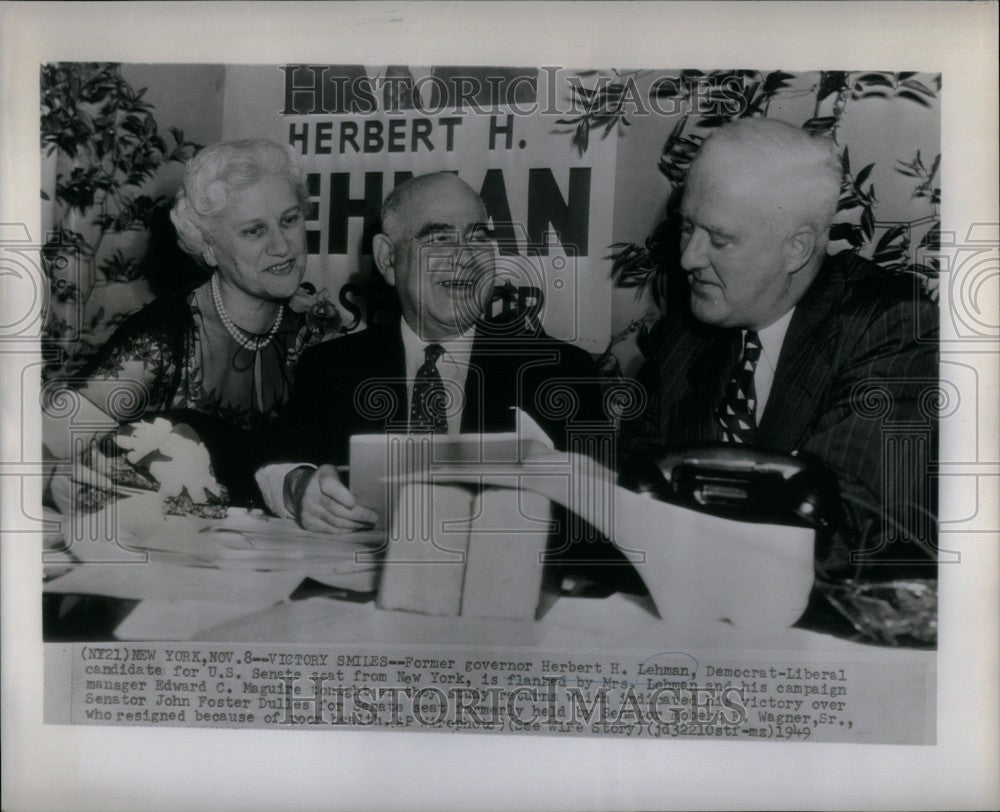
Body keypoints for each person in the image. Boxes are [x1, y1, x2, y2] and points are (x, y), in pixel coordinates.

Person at [622, 118, 939, 585]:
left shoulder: (893, 324)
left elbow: (845, 527)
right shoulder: (684, 334)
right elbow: (622, 492)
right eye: (687, 227)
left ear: (797, 249)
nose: (689, 257)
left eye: (720, 239)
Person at [257, 172, 609, 536]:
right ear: (388, 259)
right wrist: (299, 488)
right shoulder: (331, 368)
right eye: (440, 238)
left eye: (477, 238)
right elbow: (278, 465)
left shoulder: (560, 371)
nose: (465, 258)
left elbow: (597, 520)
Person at [44, 139, 322, 499]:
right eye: (254, 231)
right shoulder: (161, 340)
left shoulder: (320, 331)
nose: (282, 246)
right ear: (207, 246)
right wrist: (61, 484)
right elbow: (40, 455)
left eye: (290, 219)